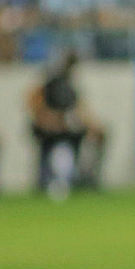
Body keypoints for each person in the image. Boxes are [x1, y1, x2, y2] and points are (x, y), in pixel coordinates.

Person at [27, 51, 107, 197]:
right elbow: (33, 99)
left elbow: (79, 108)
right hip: (47, 128)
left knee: (78, 142)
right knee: (50, 150)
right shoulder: (51, 81)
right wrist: (45, 118)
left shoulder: (70, 85)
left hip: (65, 127)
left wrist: (93, 125)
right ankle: (47, 179)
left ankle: (79, 178)